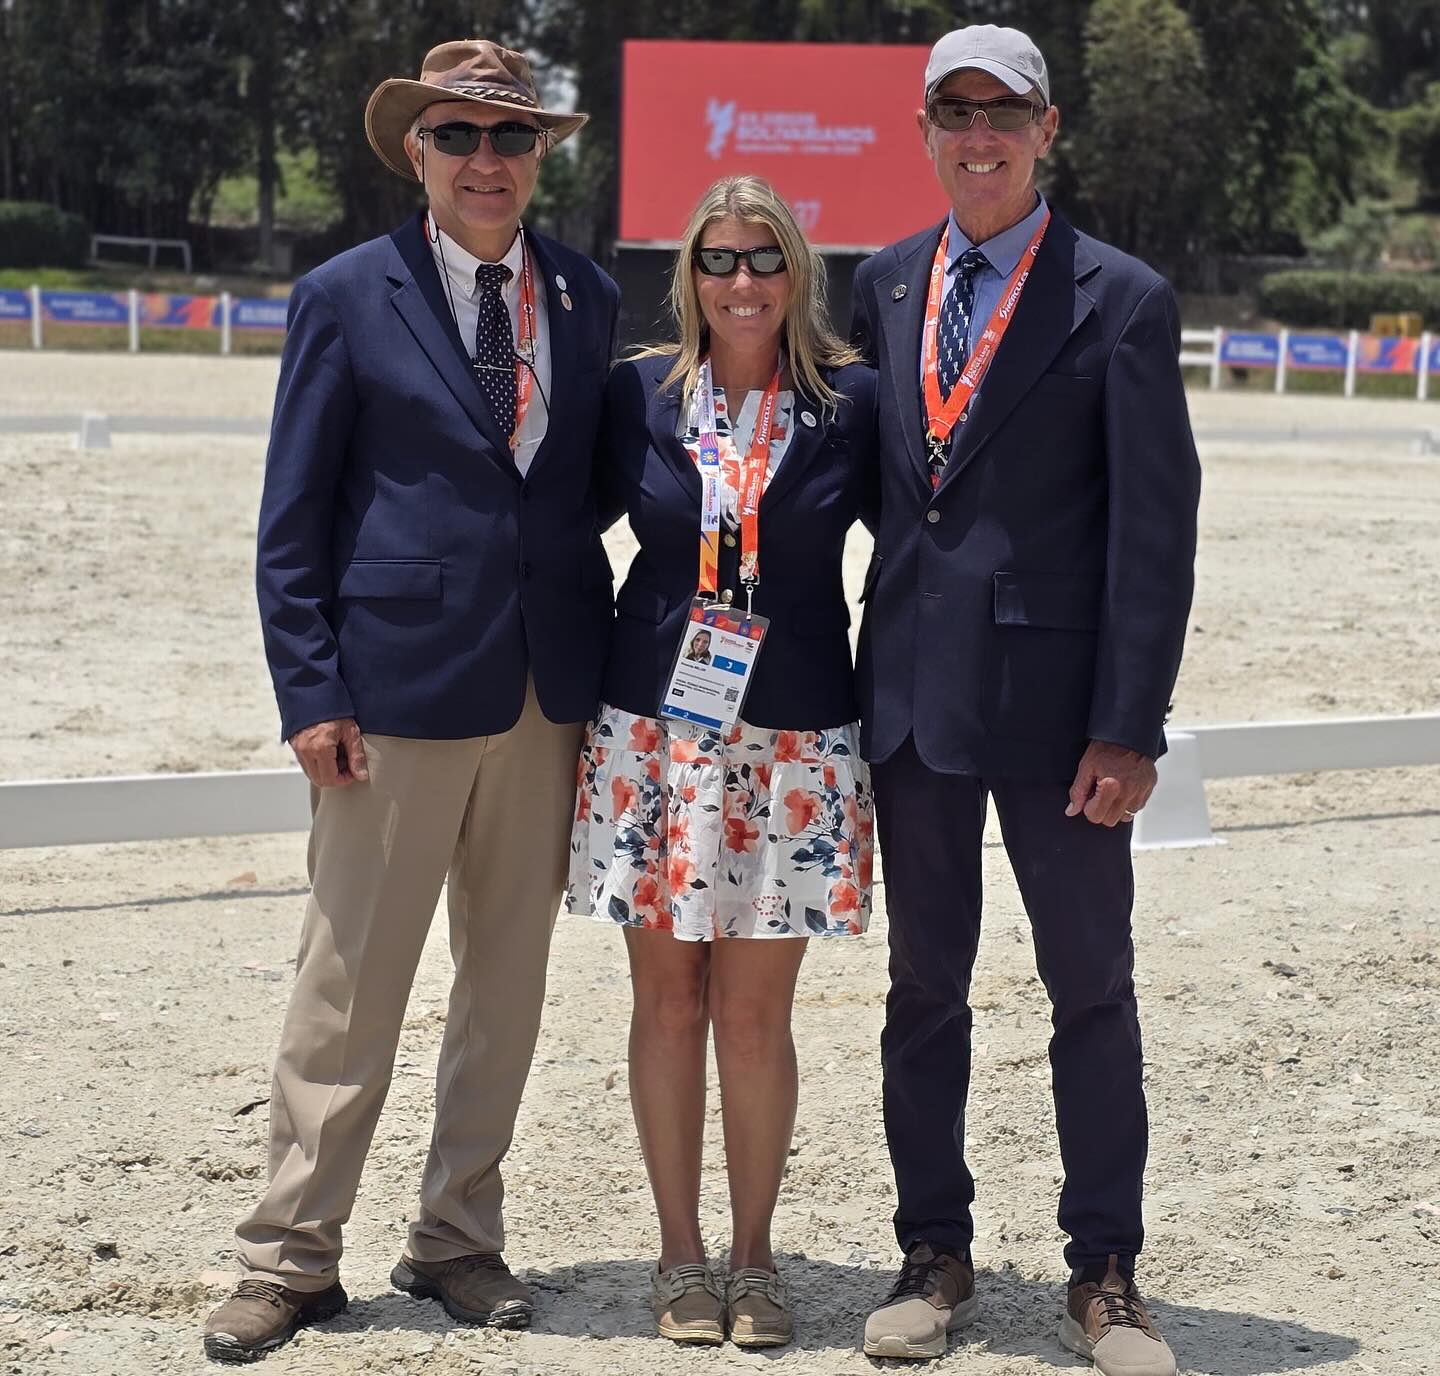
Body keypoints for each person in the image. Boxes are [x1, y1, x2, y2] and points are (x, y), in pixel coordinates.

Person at [202, 40, 620, 1364]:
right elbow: (293, 517)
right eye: (460, 136)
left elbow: (587, 483)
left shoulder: (594, 297)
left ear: (540, 155)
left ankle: (457, 1238)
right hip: (387, 698)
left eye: (511, 138)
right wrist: (311, 687)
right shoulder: (343, 295)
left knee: (506, 986)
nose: (486, 161)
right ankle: (290, 1253)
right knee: (350, 989)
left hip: (550, 686)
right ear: (416, 152)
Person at [849, 25, 1200, 1376]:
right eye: (957, 113)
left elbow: (1154, 532)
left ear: (1048, 131)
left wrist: (1132, 721)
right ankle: (933, 1253)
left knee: (1089, 992)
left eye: (1007, 113)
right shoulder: (882, 287)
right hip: (914, 710)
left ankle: (1105, 1272)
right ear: (926, 130)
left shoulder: (1121, 296)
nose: (979, 136)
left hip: (1066, 723)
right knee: (923, 990)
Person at [566, 175, 877, 1349]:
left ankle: (755, 1256)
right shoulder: (636, 396)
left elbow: (923, 549)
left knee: (754, 1016)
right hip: (654, 740)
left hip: (795, 743)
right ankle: (680, 1254)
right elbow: (553, 530)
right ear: (688, 275)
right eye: (716, 258)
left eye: (762, 258)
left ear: (796, 270)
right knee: (665, 1000)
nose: (739, 280)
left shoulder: (851, 405)